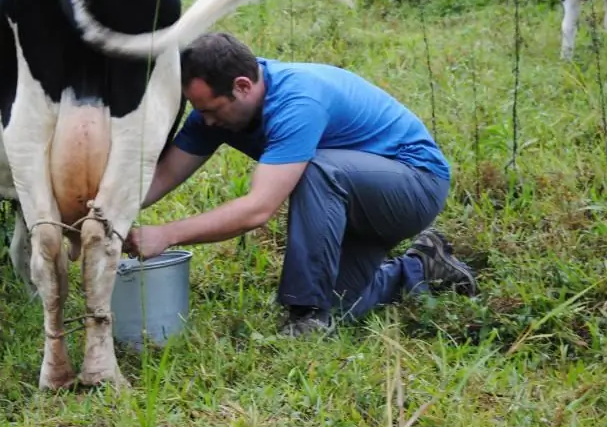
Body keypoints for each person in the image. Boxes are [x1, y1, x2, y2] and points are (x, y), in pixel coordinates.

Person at [123, 32, 478, 337]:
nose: (207, 121)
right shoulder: (214, 109)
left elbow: (259, 208)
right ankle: (421, 265)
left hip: (414, 185)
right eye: (200, 111)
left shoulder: (297, 103)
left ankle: (307, 314)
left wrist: (166, 234)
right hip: (349, 197)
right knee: (343, 305)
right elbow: (163, 176)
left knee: (315, 170)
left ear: (243, 87)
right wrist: (107, 213)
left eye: (212, 110)